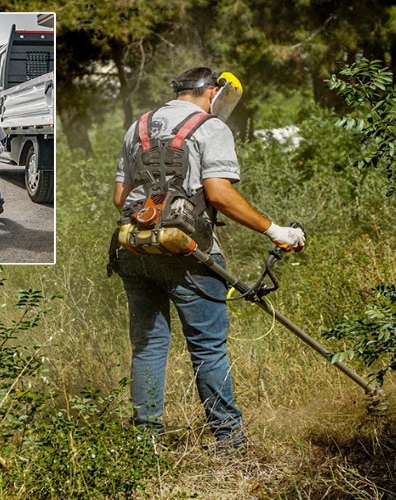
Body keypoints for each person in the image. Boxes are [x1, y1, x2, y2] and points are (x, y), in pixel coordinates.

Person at [111, 67, 305, 450]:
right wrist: (275, 231)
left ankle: (145, 444)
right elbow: (219, 194)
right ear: (213, 92)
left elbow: (121, 199)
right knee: (208, 346)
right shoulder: (211, 127)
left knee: (148, 347)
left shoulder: (139, 127)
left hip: (134, 247)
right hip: (188, 252)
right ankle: (229, 443)